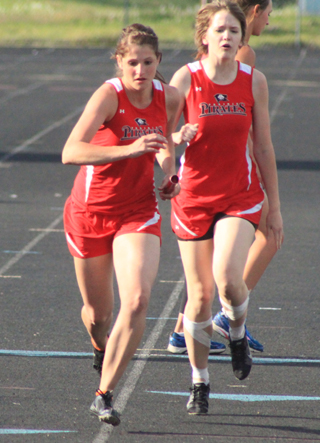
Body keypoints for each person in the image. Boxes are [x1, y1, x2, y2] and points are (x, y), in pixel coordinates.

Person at [62, 23, 180, 426]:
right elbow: (70, 151)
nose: (140, 70)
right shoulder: (108, 96)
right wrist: (129, 148)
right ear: (119, 62)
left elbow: (165, 143)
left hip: (138, 210)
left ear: (158, 62)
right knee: (99, 316)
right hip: (90, 212)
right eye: (132, 62)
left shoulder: (170, 98)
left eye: (148, 62)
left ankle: (104, 393)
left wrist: (170, 172)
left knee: (138, 300)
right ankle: (100, 347)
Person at [169, 0, 283, 415]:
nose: (227, 36)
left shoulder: (254, 81)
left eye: (234, 31)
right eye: (219, 30)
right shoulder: (185, 79)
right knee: (198, 298)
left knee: (228, 278)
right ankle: (200, 382)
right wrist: (178, 136)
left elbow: (264, 146)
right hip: (194, 197)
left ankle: (236, 331)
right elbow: (164, 136)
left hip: (239, 194)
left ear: (241, 36)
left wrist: (275, 208)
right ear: (205, 36)